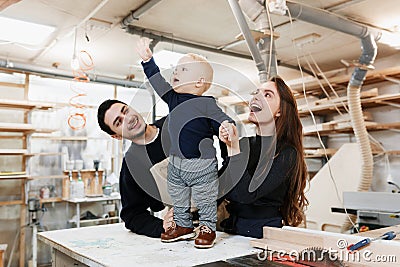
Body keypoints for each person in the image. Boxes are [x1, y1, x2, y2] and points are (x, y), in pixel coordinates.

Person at [136, 37, 234, 248]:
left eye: (183, 69)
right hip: (176, 163)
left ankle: (208, 227)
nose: (175, 73)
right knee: (178, 196)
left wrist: (227, 127)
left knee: (205, 198)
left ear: (199, 82)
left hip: (203, 164)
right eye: (176, 69)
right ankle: (183, 225)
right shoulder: (172, 98)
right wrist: (147, 61)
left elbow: (221, 121)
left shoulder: (207, 104)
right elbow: (156, 80)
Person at [217, 76, 309, 239]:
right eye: (256, 93)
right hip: (231, 231)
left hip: (263, 236)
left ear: (280, 111)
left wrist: (233, 149)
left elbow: (247, 194)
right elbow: (219, 189)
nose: (256, 97)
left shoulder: (288, 153)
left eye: (267, 95)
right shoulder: (243, 144)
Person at [97, 99, 170, 237]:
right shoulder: (133, 165)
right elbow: (132, 215)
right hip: (187, 228)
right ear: (117, 136)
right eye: (118, 122)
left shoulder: (174, 123)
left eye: (125, 111)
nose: (128, 119)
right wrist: (162, 227)